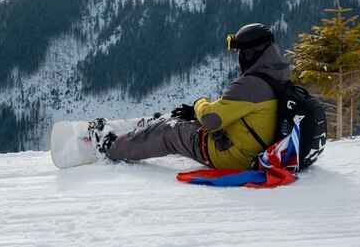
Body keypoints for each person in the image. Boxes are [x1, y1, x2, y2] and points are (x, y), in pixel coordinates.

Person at [88, 23, 292, 170]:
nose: (238, 57)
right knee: (190, 123)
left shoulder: (251, 84)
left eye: (239, 53)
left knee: (169, 132)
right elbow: (238, 114)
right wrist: (196, 114)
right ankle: (157, 126)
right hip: (252, 150)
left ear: (250, 54)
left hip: (231, 157)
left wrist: (198, 104)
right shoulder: (277, 77)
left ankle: (110, 147)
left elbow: (211, 119)